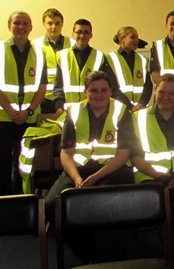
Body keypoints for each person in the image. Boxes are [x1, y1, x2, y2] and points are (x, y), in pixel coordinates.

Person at [44, 71, 136, 223]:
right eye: (93, 90)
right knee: (50, 206)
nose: (99, 95)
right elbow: (66, 153)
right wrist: (77, 178)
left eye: (104, 90)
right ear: (85, 92)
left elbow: (123, 155)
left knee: (100, 205)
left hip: (112, 171)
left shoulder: (122, 112)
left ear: (111, 91)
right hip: (78, 170)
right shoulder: (74, 112)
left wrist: (95, 178)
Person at [0, 11, 47, 196]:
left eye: (25, 23)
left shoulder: (40, 52)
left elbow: (42, 87)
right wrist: (12, 112)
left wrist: (28, 111)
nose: (21, 27)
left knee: (24, 164)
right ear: (9, 26)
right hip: (2, 118)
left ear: (31, 27)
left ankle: (23, 200)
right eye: (17, 23)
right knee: (0, 163)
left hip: (27, 119)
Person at [53, 18, 127, 113]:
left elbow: (111, 86)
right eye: (79, 32)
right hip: (67, 112)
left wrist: (126, 105)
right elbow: (58, 85)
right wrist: (59, 106)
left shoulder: (100, 56)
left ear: (91, 35)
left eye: (86, 32)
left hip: (92, 111)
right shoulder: (62, 56)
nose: (82, 35)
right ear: (73, 34)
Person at [32, 8, 75, 113]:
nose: (53, 27)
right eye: (50, 23)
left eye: (57, 23)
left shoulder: (73, 44)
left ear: (62, 24)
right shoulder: (34, 45)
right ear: (44, 24)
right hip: (43, 98)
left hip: (66, 97)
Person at [106, 26, 153, 112]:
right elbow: (111, 87)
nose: (136, 40)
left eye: (137, 37)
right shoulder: (110, 58)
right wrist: (129, 106)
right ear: (122, 38)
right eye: (132, 37)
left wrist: (142, 103)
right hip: (119, 108)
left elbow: (148, 85)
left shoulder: (142, 60)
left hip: (140, 109)